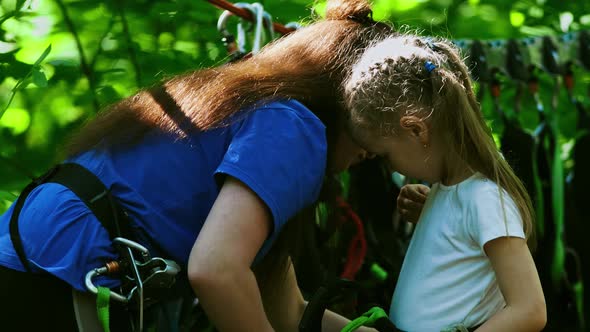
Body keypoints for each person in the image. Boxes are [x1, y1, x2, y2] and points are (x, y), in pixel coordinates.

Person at [0, 1, 395, 331]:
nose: (379, 150)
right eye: (384, 116)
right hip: (57, 270)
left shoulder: (262, 109)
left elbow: (287, 309)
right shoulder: (293, 127)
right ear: (350, 97)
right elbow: (217, 271)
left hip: (34, 255)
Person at [343, 34, 547, 331]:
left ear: (415, 130)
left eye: (384, 156)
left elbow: (530, 310)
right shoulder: (450, 190)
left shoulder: (485, 198)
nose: (390, 168)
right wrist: (435, 215)